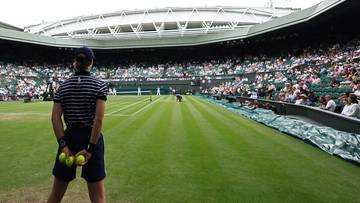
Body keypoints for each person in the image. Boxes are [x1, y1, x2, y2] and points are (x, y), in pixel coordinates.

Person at [47, 47, 108, 203]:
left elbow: (55, 118)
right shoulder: (99, 85)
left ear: (75, 62)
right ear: (91, 62)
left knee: (55, 195)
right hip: (91, 138)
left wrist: (64, 145)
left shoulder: (63, 86)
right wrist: (90, 148)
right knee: (98, 198)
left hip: (70, 137)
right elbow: (98, 119)